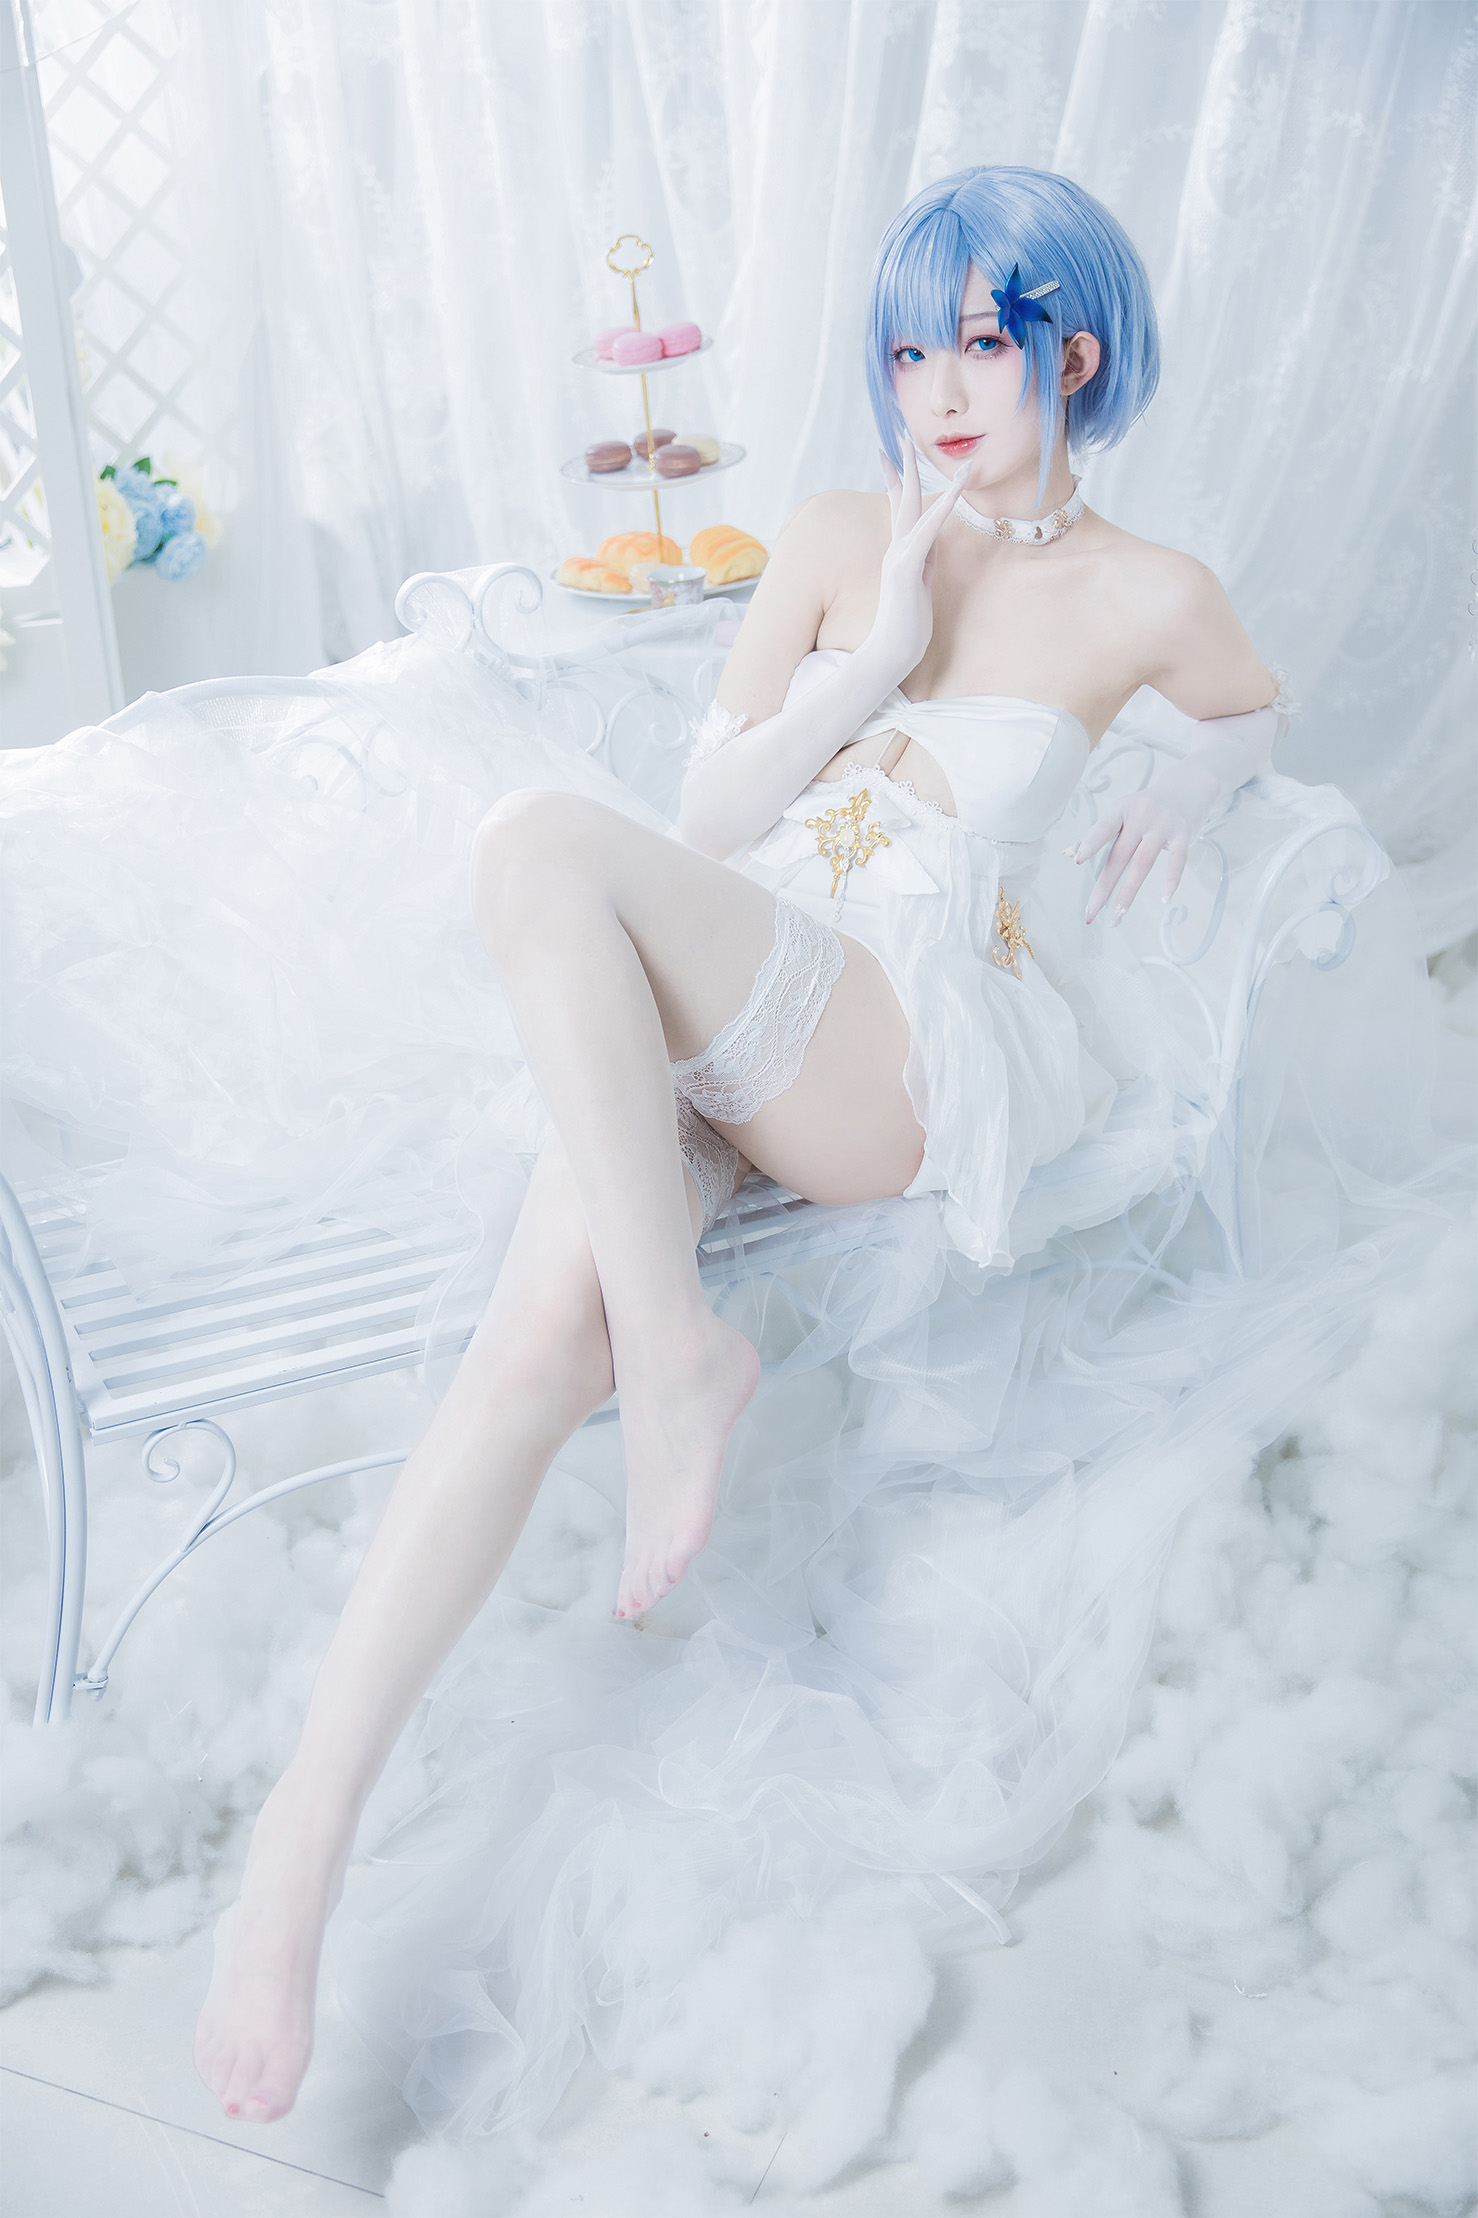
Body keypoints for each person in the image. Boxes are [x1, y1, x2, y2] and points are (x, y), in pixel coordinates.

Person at [0, 168, 1445, 2139]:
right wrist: (876, 654)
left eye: (981, 341)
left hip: (905, 1038)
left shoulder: (1150, 591)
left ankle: (675, 1354)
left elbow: (1254, 712)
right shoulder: (842, 537)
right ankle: (298, 1857)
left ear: (1073, 352)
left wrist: (1198, 774)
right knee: (529, 1344)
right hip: (740, 972)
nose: (938, 388)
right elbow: (706, 818)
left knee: (532, 841)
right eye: (908, 349)